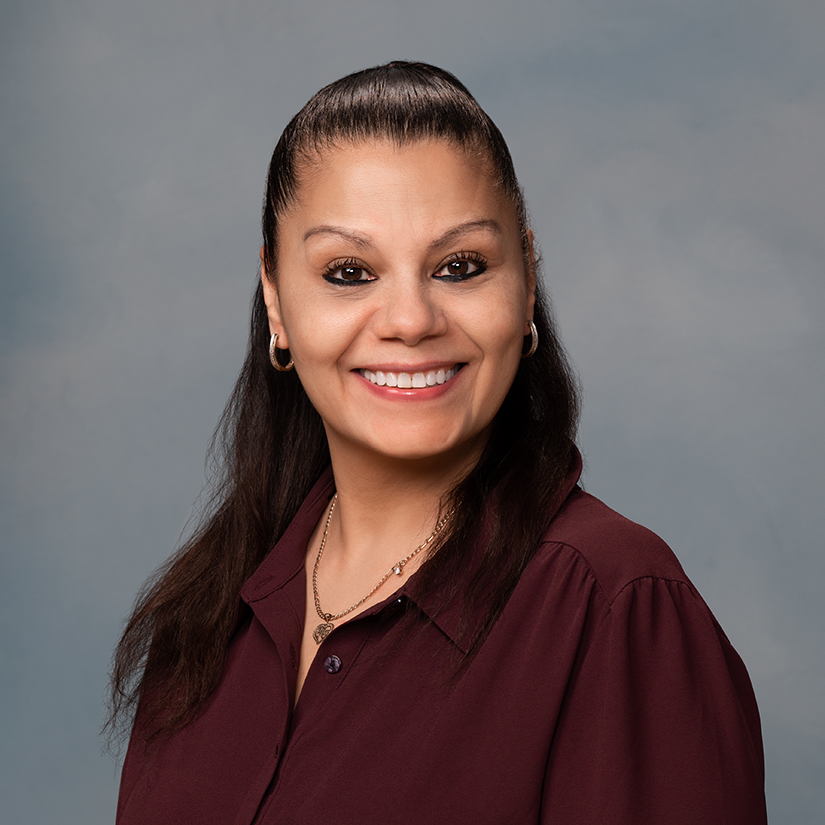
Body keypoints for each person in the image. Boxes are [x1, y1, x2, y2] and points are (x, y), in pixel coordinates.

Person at [109, 62, 767, 824]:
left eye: (459, 267)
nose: (410, 320)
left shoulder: (619, 608)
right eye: (348, 272)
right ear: (275, 298)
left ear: (525, 282)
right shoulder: (201, 625)